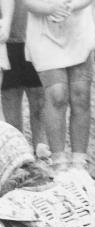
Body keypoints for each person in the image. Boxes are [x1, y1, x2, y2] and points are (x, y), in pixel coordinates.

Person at [23, 0, 95, 172]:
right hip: (43, 29)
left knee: (81, 95)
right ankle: (58, 161)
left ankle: (80, 162)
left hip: (78, 28)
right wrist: (49, 8)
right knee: (57, 94)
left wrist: (70, 6)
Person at [2, 0, 48, 159]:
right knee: (10, 96)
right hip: (6, 40)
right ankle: (17, 155)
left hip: (37, 37)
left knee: (39, 99)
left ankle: (41, 152)